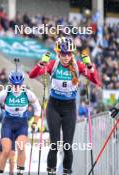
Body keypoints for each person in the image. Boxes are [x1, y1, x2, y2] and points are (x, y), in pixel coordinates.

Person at [29, 37, 101, 175]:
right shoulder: (52, 64)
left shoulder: (78, 66)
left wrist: (90, 67)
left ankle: (67, 171)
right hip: (53, 107)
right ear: (58, 53)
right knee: (54, 144)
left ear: (72, 54)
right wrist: (41, 63)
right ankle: (51, 171)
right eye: (63, 54)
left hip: (69, 108)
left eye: (69, 54)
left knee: (68, 146)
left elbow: (95, 81)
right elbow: (32, 76)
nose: (66, 57)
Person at [0, 71, 41, 175]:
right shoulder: (5, 93)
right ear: (10, 83)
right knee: (6, 151)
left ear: (22, 83)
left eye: (19, 85)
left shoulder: (28, 93)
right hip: (8, 122)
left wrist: (35, 122)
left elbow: (38, 109)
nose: (16, 87)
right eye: (14, 85)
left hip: (22, 123)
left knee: (21, 147)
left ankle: (20, 171)